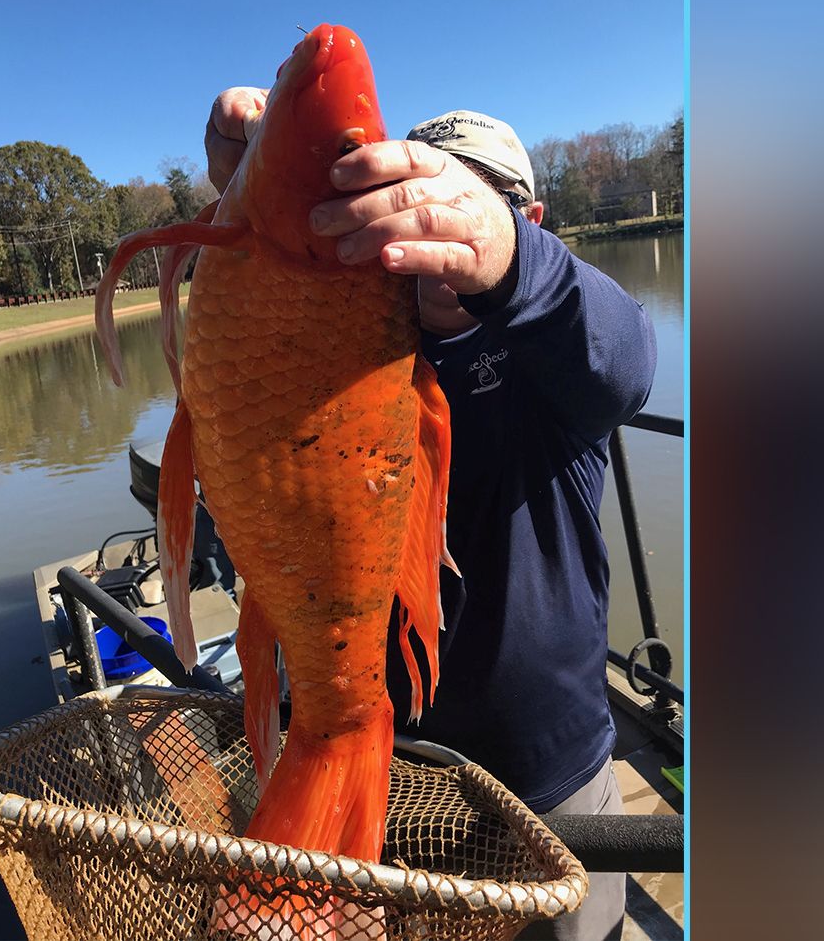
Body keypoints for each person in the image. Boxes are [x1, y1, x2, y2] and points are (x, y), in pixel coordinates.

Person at [205, 89, 658, 941]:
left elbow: (627, 360)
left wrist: (502, 254)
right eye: (421, 191)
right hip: (387, 778)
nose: (440, 223)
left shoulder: (556, 348)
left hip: (547, 781)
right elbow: (236, 403)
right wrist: (259, 202)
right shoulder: (333, 330)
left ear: (531, 217)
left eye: (475, 194)